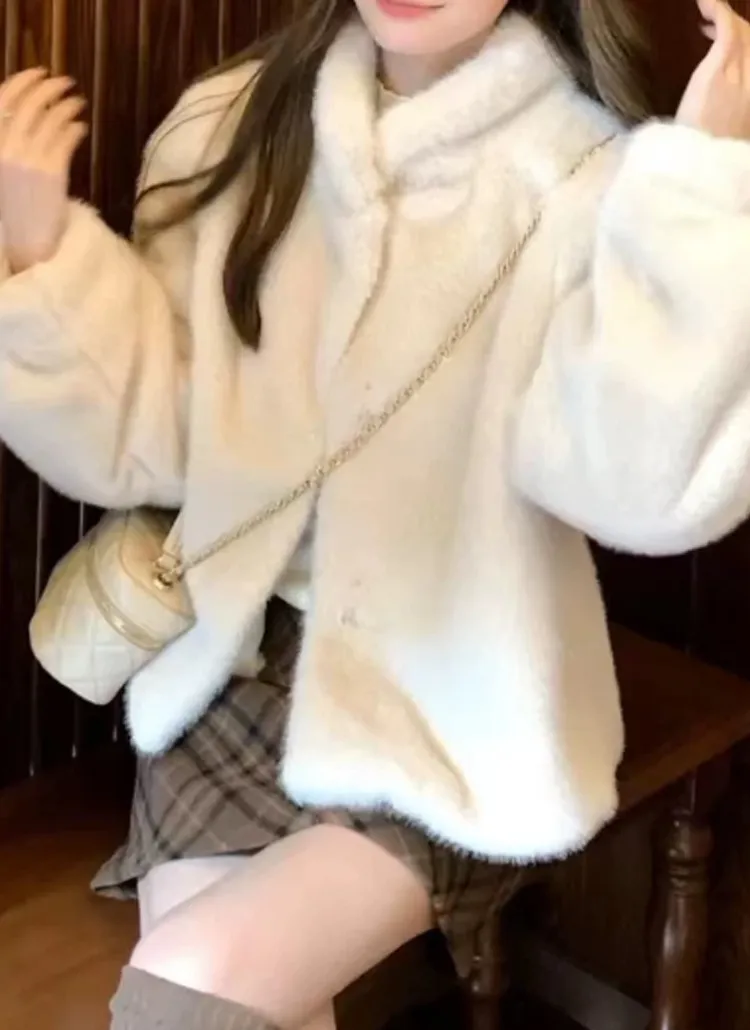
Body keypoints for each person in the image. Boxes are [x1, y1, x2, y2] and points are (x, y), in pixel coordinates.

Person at [1, 0, 750, 1026]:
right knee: (215, 997)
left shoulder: (590, 173)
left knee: (199, 974)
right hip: (231, 667)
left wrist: (704, 195)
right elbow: (150, 441)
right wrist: (39, 254)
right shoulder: (230, 126)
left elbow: (638, 490)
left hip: (456, 693)